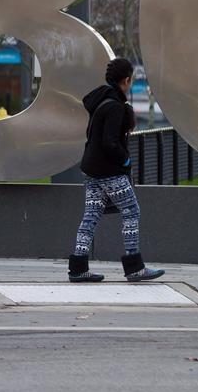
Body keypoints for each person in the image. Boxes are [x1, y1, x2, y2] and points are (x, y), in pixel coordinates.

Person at [68, 57, 165, 283]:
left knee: (90, 217)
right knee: (132, 211)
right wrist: (125, 162)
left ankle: (78, 269)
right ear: (127, 80)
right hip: (108, 171)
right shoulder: (114, 106)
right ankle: (135, 267)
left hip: (91, 169)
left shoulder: (101, 100)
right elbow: (110, 142)